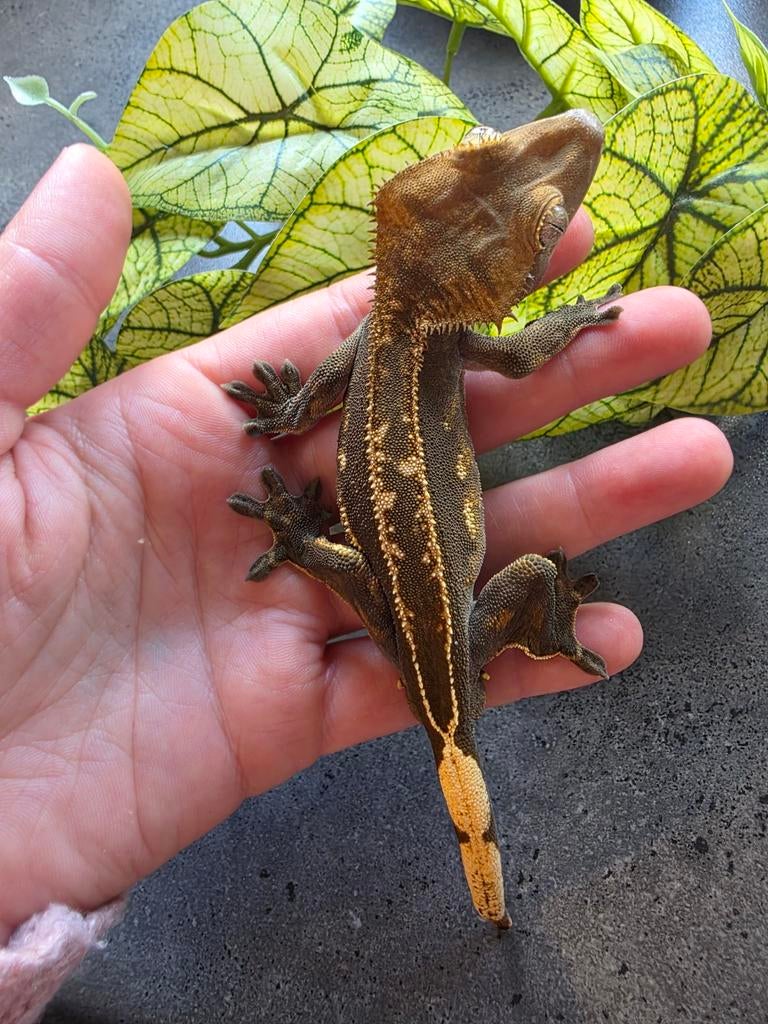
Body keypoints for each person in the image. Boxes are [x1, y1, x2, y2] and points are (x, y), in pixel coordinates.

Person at [0, 145, 732, 1019]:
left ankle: (484, 611)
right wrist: (567, 320)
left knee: (530, 577)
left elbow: (310, 401)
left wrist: (288, 439)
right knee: (531, 569)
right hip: (409, 615)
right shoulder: (448, 332)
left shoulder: (376, 328)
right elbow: (525, 358)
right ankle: (510, 640)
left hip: (409, 607)